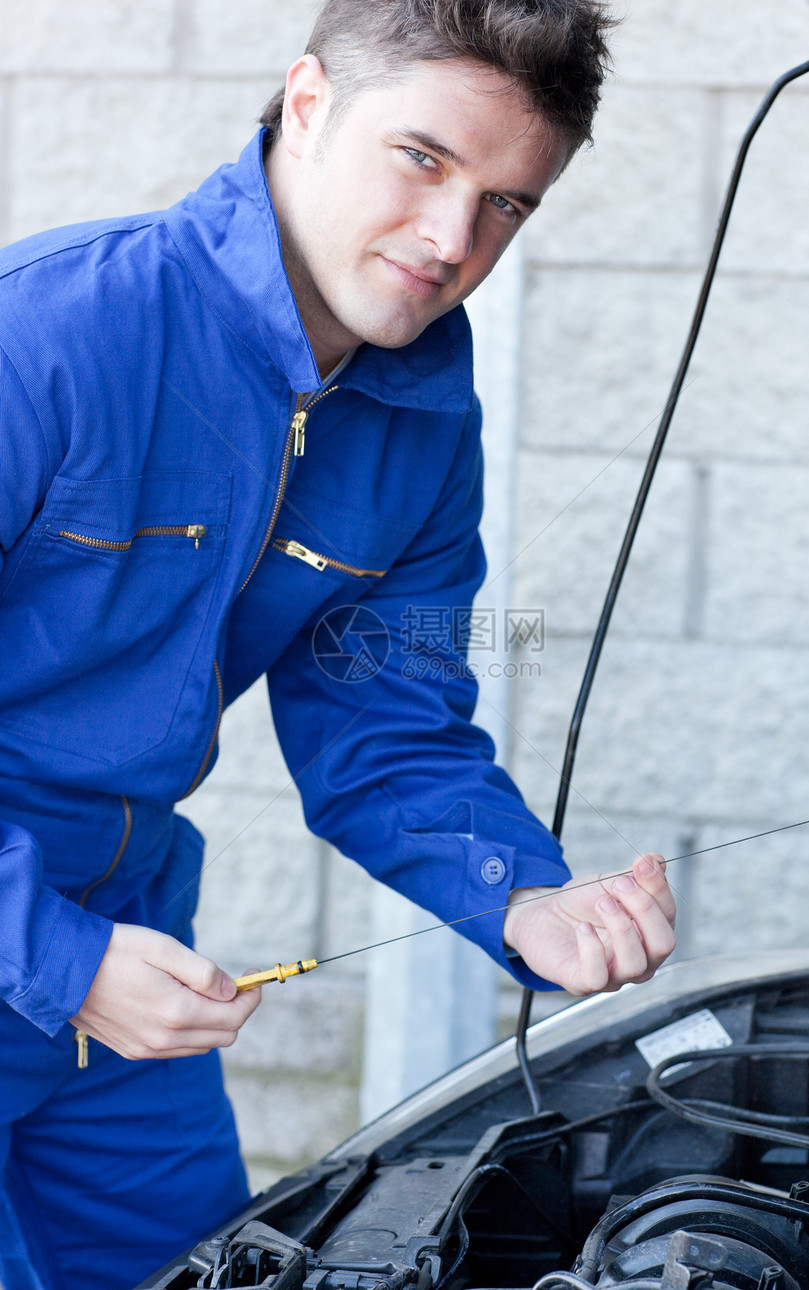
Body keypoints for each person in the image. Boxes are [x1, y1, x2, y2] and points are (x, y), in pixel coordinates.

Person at [0, 1, 676, 1286]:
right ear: (305, 101)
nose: (449, 241)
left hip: (123, 965)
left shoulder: (421, 413)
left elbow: (387, 721)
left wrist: (522, 895)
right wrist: (57, 958)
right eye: (422, 160)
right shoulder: (43, 340)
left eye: (505, 205)